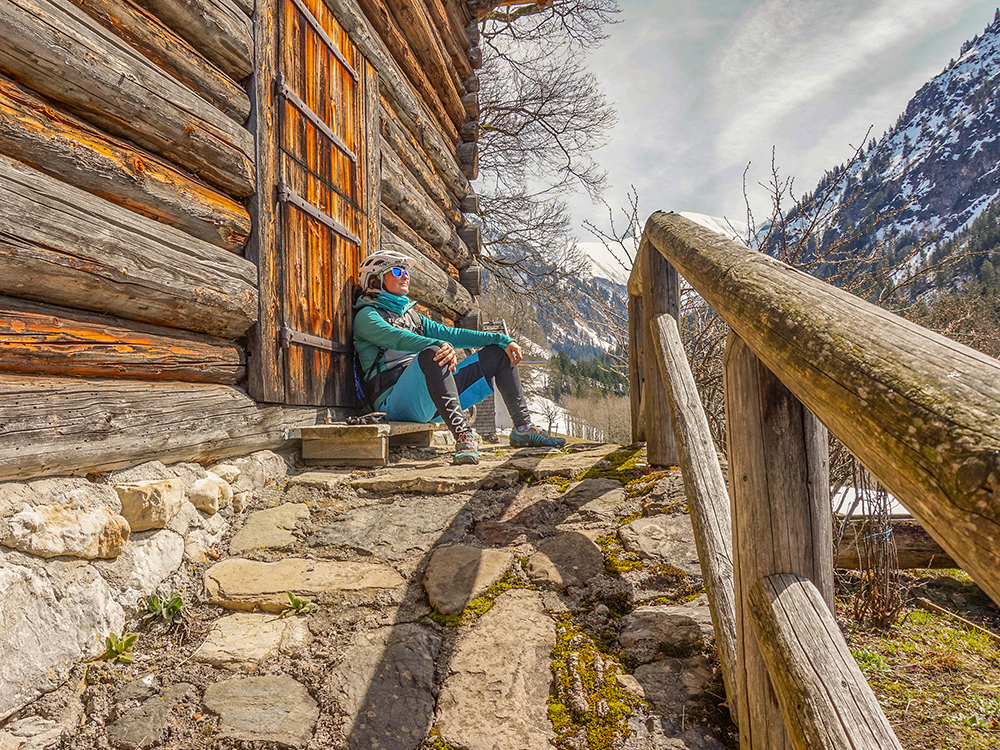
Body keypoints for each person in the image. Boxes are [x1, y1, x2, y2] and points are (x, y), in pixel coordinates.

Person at [353, 250, 565, 465]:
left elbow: (452, 335)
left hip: (432, 399)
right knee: (434, 352)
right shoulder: (367, 315)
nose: (405, 276)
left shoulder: (411, 316)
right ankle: (464, 436)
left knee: (499, 353)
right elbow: (396, 339)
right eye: (397, 271)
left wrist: (500, 339)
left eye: (405, 271)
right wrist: (435, 345)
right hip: (393, 402)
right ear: (375, 279)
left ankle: (522, 429)